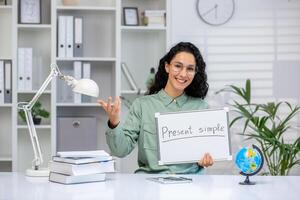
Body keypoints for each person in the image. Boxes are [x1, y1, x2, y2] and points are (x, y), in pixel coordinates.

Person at [98, 42, 214, 174]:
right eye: (177, 66)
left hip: (192, 183)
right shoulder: (142, 105)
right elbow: (120, 150)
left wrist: (206, 159)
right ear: (167, 66)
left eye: (190, 69)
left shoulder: (201, 108)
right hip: (150, 184)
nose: (183, 74)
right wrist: (114, 122)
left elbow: (206, 151)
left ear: (195, 72)